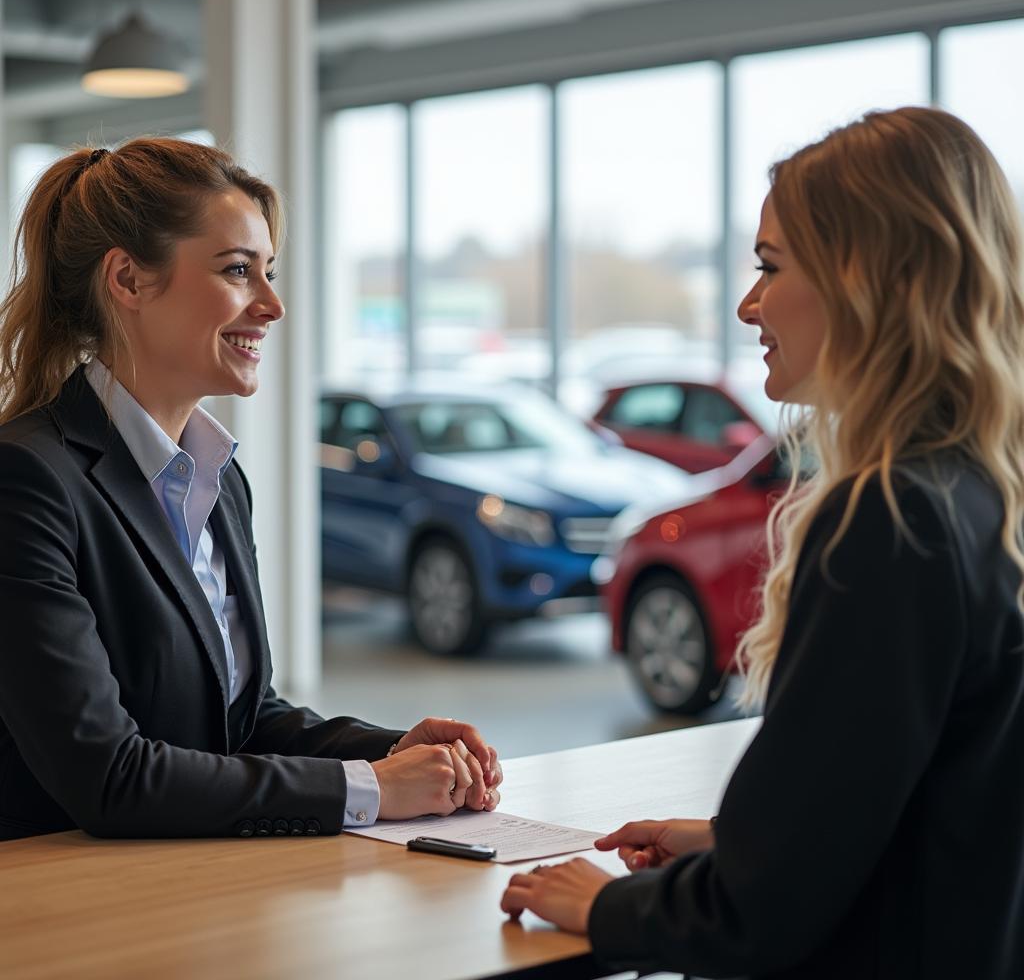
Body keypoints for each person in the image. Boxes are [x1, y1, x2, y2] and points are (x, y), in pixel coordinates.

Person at [500, 106, 1024, 978]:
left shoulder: (890, 522)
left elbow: (759, 918)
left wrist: (609, 902)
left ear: (869, 280)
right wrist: (735, 842)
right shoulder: (983, 494)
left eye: (770, 267)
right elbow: (946, 808)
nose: (748, 305)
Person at [0, 138, 502, 841]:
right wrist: (370, 788)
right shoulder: (27, 480)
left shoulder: (220, 479)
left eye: (269, 272)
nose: (272, 305)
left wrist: (390, 752)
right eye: (239, 271)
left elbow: (241, 720)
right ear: (129, 281)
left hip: (202, 892)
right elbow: (108, 776)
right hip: (72, 916)